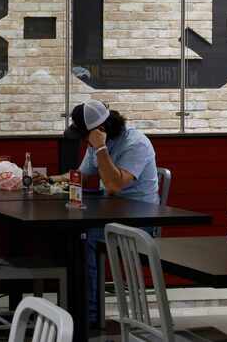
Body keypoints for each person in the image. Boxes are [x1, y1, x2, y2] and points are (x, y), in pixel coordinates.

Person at [50, 99, 159, 325]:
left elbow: (114, 185)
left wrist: (100, 148)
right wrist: (50, 179)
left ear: (100, 130)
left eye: (85, 135)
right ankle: (76, 309)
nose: (84, 141)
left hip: (140, 219)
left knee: (86, 238)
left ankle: (88, 315)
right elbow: (81, 174)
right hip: (110, 213)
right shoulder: (96, 144)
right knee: (70, 234)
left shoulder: (135, 143)